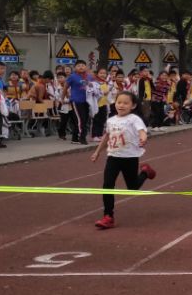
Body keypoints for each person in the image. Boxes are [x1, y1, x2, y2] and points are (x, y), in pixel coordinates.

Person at [89, 90, 157, 229]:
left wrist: (143, 139)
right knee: (107, 186)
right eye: (119, 102)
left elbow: (142, 132)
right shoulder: (111, 120)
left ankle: (145, 172)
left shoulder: (134, 119)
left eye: (126, 103)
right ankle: (108, 216)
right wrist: (97, 152)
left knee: (132, 187)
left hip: (130, 158)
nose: (121, 105)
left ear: (132, 106)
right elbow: (106, 137)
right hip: (113, 157)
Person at [67, 59, 91, 144]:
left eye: (83, 65)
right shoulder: (72, 76)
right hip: (76, 101)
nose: (81, 67)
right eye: (79, 65)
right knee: (81, 119)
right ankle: (82, 137)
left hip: (86, 101)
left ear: (86, 67)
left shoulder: (89, 76)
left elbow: (94, 87)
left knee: (84, 119)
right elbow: (65, 88)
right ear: (75, 67)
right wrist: (63, 98)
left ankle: (74, 138)